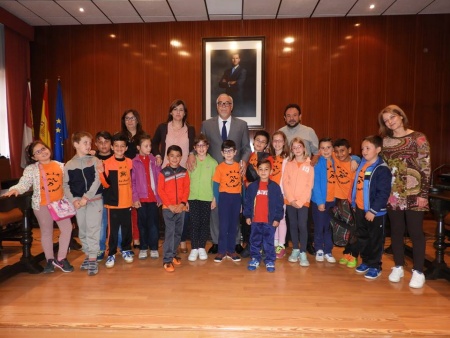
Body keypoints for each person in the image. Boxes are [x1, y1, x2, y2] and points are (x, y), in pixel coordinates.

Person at [378, 105, 431, 289]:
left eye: (392, 117)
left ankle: (418, 271)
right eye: (386, 120)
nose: (390, 122)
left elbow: (425, 167)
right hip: (394, 193)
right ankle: (398, 266)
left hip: (415, 192)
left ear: (401, 116)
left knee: (416, 232)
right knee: (397, 232)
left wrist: (424, 194)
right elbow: (381, 167)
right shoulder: (385, 142)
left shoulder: (418, 137)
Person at [3, 141, 74, 273]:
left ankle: (61, 258)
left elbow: (68, 184)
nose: (43, 152)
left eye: (43, 148)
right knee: (46, 232)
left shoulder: (60, 166)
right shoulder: (31, 169)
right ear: (34, 157)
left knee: (67, 229)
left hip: (60, 205)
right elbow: (24, 183)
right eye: (38, 152)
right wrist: (15, 189)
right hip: (41, 206)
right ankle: (49, 260)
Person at [197, 93, 251, 254]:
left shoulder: (241, 125)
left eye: (227, 103)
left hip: (234, 173)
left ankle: (234, 242)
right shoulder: (206, 125)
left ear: (232, 106)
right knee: (215, 206)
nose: (224, 106)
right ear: (216, 105)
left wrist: (244, 161)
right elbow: (200, 144)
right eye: (220, 103)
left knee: (234, 209)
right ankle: (216, 241)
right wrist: (193, 156)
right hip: (215, 173)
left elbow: (246, 147)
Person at [152, 99, 196, 253]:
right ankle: (169, 244)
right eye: (175, 109)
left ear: (185, 113)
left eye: (181, 110)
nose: (178, 112)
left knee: (183, 206)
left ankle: (182, 241)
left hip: (184, 172)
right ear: (170, 112)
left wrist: (191, 154)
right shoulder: (163, 127)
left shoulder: (190, 129)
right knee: (169, 207)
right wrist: (157, 154)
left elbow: (193, 147)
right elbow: (153, 142)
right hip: (167, 171)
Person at [279, 103, 319, 255]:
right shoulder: (280, 132)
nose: (291, 118)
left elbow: (316, 151)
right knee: (291, 221)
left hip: (304, 177)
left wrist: (310, 165)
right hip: (288, 174)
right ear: (284, 118)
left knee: (304, 221)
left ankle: (306, 245)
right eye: (288, 115)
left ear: (300, 116)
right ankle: (294, 246)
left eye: (294, 115)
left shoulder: (309, 132)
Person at [351, 135, 392, 280]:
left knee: (375, 240)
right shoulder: (362, 164)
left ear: (378, 149)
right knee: (363, 237)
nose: (364, 151)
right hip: (360, 209)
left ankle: (375, 266)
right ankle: (366, 261)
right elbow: (358, 185)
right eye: (362, 148)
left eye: (368, 148)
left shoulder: (382, 169)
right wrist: (355, 203)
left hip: (375, 213)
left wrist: (373, 210)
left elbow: (383, 193)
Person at [64, 132, 103, 276]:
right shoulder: (69, 165)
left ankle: (93, 257)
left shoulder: (94, 160)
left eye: (90, 142)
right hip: (78, 203)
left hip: (94, 201)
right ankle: (88, 255)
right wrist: (74, 200)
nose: (89, 145)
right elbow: (65, 185)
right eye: (85, 142)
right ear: (76, 145)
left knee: (93, 229)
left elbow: (98, 180)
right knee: (83, 230)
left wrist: (86, 197)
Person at [99, 133, 134, 268]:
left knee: (126, 228)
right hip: (113, 203)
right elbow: (106, 184)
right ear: (112, 147)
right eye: (117, 146)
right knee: (112, 231)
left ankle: (125, 249)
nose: (119, 148)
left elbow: (133, 182)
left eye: (122, 146)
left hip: (127, 202)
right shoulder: (106, 163)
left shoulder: (130, 162)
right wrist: (101, 172)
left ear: (126, 148)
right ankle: (111, 253)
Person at [243, 159, 284, 272]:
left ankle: (269, 260)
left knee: (268, 242)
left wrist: (277, 218)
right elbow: (247, 202)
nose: (263, 172)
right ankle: (255, 258)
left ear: (270, 171)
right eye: (260, 169)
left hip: (269, 221)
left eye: (266, 169)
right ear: (257, 171)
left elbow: (280, 204)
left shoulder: (275, 187)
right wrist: (247, 216)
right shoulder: (252, 187)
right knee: (254, 240)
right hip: (255, 220)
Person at [157, 145, 190, 272]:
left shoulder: (184, 172)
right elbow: (161, 190)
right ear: (167, 157)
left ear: (181, 157)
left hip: (180, 208)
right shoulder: (163, 172)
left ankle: (174, 254)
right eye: (172, 155)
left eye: (177, 156)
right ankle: (167, 260)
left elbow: (186, 189)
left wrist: (182, 204)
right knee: (170, 233)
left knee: (178, 233)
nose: (175, 158)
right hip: (168, 208)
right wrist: (170, 205)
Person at [283, 137, 314, 267]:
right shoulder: (289, 164)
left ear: (304, 148)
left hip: (303, 202)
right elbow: (286, 182)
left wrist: (300, 201)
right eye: (294, 147)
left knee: (302, 225)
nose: (297, 149)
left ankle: (303, 252)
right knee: (293, 225)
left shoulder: (309, 165)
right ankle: (295, 249)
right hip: (290, 201)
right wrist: (291, 199)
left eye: (299, 147)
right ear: (291, 150)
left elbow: (309, 185)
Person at [240, 130, 271, 258]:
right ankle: (249, 244)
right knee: (247, 218)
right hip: (248, 192)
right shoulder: (249, 156)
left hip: (262, 193)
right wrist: (245, 182)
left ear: (266, 145)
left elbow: (268, 175)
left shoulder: (268, 158)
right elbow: (243, 173)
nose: (259, 143)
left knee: (261, 219)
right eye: (258, 140)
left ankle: (262, 246)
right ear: (254, 141)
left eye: (263, 142)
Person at [187, 135, 218, 262]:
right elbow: (186, 181)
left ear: (207, 147)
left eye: (203, 145)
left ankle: (201, 247)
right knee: (194, 223)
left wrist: (214, 198)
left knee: (204, 224)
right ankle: (194, 248)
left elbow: (215, 183)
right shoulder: (191, 161)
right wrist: (185, 199)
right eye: (198, 146)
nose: (201, 148)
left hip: (207, 198)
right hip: (192, 198)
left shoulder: (213, 163)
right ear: (194, 148)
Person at [131, 134, 161, 260]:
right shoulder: (134, 162)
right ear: (138, 147)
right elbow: (132, 182)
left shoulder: (155, 161)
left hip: (153, 198)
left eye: (150, 146)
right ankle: (143, 247)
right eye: (146, 146)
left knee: (154, 224)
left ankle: (154, 247)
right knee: (142, 224)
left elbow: (160, 180)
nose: (149, 148)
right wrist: (135, 198)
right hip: (141, 199)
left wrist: (159, 197)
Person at [212, 140, 243, 263]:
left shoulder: (239, 167)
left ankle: (231, 250)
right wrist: (216, 199)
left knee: (233, 226)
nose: (229, 153)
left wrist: (241, 203)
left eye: (231, 151)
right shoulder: (219, 167)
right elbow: (215, 185)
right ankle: (221, 251)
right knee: (223, 225)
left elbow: (241, 186)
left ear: (235, 152)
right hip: (224, 197)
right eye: (226, 151)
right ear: (222, 153)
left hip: (236, 198)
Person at [121, 109, 147, 249]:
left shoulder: (143, 136)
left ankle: (138, 238)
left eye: (132, 118)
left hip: (139, 177)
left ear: (137, 120)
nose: (130, 121)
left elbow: (151, 151)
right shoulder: (119, 137)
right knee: (127, 209)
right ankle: (130, 239)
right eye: (127, 118)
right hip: (124, 176)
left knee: (138, 208)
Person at [92, 131, 120, 261]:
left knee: (116, 222)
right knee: (101, 223)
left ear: (111, 144)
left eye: (107, 142)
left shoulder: (117, 158)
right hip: (97, 196)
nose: (103, 145)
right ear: (96, 144)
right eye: (100, 142)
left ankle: (119, 246)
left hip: (115, 195)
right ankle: (101, 248)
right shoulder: (91, 159)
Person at [333, 139, 360, 268]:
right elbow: (321, 151)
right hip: (338, 200)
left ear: (349, 150)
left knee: (354, 228)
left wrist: (356, 158)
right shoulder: (334, 158)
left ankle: (354, 254)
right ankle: (346, 252)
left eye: (343, 150)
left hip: (351, 201)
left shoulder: (355, 164)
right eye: (337, 151)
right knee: (344, 227)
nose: (339, 154)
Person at [311, 137, 336, 263]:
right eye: (323, 148)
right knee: (319, 226)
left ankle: (328, 250)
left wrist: (354, 159)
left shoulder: (336, 161)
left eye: (328, 147)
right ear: (319, 150)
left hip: (333, 200)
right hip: (319, 201)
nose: (326, 150)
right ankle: (319, 249)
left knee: (329, 227)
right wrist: (320, 202)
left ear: (333, 149)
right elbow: (315, 184)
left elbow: (352, 158)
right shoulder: (318, 162)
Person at [269, 131, 290, 259]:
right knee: (272, 218)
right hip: (270, 192)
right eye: (275, 140)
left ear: (284, 142)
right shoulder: (269, 158)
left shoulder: (288, 158)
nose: (277, 143)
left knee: (281, 219)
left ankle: (281, 245)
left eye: (280, 140)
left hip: (282, 193)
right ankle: (274, 242)